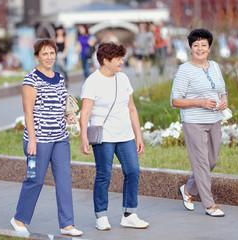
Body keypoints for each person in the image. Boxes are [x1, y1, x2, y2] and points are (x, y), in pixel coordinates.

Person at [10, 38, 83, 237]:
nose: (49, 57)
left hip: (60, 138)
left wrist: (68, 115)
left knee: (64, 180)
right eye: (45, 54)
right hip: (39, 140)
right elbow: (28, 112)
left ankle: (67, 225)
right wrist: (31, 140)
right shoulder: (30, 80)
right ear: (37, 56)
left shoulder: (59, 78)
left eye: (52, 53)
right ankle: (19, 219)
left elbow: (62, 103)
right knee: (35, 180)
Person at [79, 42, 149, 231]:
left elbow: (132, 108)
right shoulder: (92, 82)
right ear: (106, 60)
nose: (121, 62)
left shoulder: (124, 78)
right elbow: (85, 113)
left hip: (125, 135)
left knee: (133, 171)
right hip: (104, 136)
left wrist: (139, 135)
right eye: (118, 59)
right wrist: (83, 137)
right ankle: (101, 215)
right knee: (104, 174)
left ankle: (129, 214)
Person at [170, 29, 228, 217]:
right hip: (194, 121)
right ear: (191, 48)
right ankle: (209, 204)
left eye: (204, 45)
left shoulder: (215, 66)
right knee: (201, 163)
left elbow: (222, 89)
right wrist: (200, 102)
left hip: (215, 119)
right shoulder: (184, 70)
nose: (200, 49)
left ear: (209, 48)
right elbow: (175, 100)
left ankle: (187, 189)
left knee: (212, 160)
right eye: (196, 45)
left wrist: (224, 99)